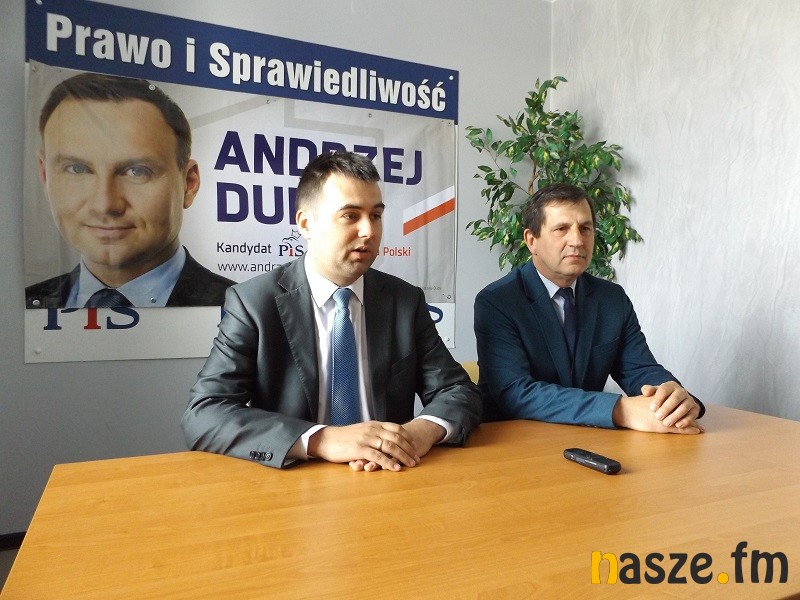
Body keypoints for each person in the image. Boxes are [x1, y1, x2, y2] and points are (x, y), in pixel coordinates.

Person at [182, 151, 481, 470]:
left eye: (376, 215)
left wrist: (420, 431)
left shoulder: (404, 301)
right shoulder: (254, 303)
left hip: (388, 474)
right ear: (305, 223)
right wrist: (322, 439)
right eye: (350, 216)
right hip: (297, 479)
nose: (369, 231)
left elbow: (458, 390)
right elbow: (204, 413)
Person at [474, 183, 704, 434]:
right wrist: (619, 409)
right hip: (514, 441)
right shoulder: (497, 301)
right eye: (561, 229)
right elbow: (515, 393)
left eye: (585, 228)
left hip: (589, 438)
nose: (577, 241)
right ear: (532, 240)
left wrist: (671, 397)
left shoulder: (612, 299)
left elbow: (640, 369)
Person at [25, 72, 233, 309]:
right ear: (45, 176)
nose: (105, 205)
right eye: (77, 169)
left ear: (189, 184)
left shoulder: (250, 314)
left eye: (137, 171)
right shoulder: (14, 307)